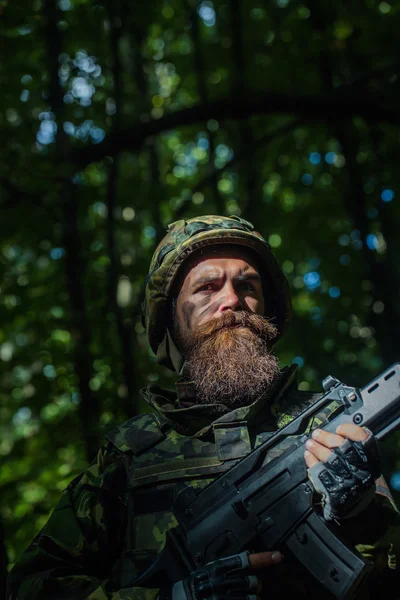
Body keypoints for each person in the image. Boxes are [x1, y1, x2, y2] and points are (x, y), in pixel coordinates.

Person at [7, 215, 400, 599]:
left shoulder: (329, 426)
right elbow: (29, 586)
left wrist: (363, 517)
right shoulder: (129, 457)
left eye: (248, 284)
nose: (232, 300)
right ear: (171, 320)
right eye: (207, 287)